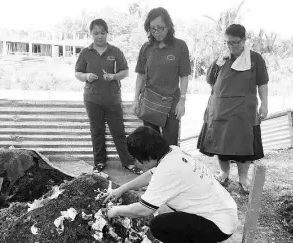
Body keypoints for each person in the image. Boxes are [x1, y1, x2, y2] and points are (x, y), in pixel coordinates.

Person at [103, 126, 238, 243]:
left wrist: (115, 211)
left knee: (159, 225)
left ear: (148, 157)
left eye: (138, 160)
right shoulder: (172, 151)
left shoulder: (167, 170)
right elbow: (151, 174)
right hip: (226, 212)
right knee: (170, 217)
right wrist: (122, 189)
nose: (138, 164)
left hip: (219, 226)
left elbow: (144, 209)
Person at [197, 24, 269, 193]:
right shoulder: (222, 59)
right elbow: (210, 81)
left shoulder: (255, 59)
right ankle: (224, 174)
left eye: (235, 43)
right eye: (228, 43)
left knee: (243, 146)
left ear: (244, 40)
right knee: (221, 144)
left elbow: (263, 83)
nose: (231, 46)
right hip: (220, 108)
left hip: (244, 110)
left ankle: (243, 180)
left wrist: (264, 104)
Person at [75, 19, 142, 175]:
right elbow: (77, 73)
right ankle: (99, 162)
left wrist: (113, 76)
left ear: (107, 33)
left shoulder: (115, 52)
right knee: (96, 131)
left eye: (102, 33)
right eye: (96, 33)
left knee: (118, 131)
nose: (99, 36)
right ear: (91, 34)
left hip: (112, 99)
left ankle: (128, 162)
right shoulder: (86, 52)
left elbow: (125, 71)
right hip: (92, 99)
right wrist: (86, 76)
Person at [133, 7, 191, 146]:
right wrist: (136, 99)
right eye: (153, 28)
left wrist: (182, 101)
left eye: (161, 28)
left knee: (170, 145)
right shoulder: (146, 48)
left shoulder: (180, 46)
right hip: (149, 102)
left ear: (169, 26)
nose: (157, 32)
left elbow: (184, 76)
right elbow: (140, 75)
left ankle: (169, 168)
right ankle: (155, 168)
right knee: (151, 144)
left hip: (171, 103)